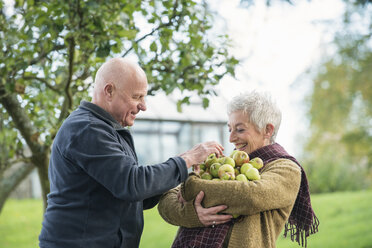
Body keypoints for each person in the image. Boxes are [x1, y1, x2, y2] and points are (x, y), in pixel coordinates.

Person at [38, 57, 224, 248]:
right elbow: (132, 183)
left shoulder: (108, 130)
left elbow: (133, 195)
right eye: (137, 97)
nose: (143, 106)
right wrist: (187, 159)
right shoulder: (87, 129)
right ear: (109, 91)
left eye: (144, 97)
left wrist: (183, 186)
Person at [158, 91, 319, 248]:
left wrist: (191, 184)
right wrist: (193, 214)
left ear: (268, 130)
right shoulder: (227, 164)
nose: (231, 138)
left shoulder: (286, 168)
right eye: (230, 129)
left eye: (240, 129)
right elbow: (166, 201)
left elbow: (250, 195)